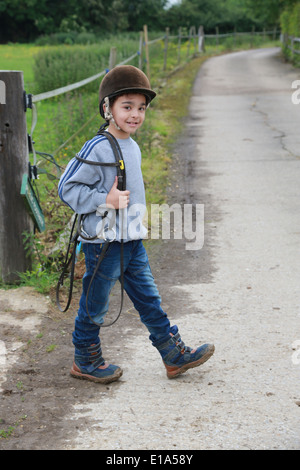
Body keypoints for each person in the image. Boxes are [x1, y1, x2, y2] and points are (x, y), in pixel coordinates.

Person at [58, 65, 214, 384]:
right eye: (127, 106)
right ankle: (84, 359)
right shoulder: (99, 147)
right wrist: (106, 199)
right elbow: (66, 187)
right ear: (107, 108)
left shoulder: (132, 145)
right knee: (95, 303)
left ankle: (173, 355)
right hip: (103, 244)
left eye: (141, 108)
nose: (135, 115)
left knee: (149, 299)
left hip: (131, 241)